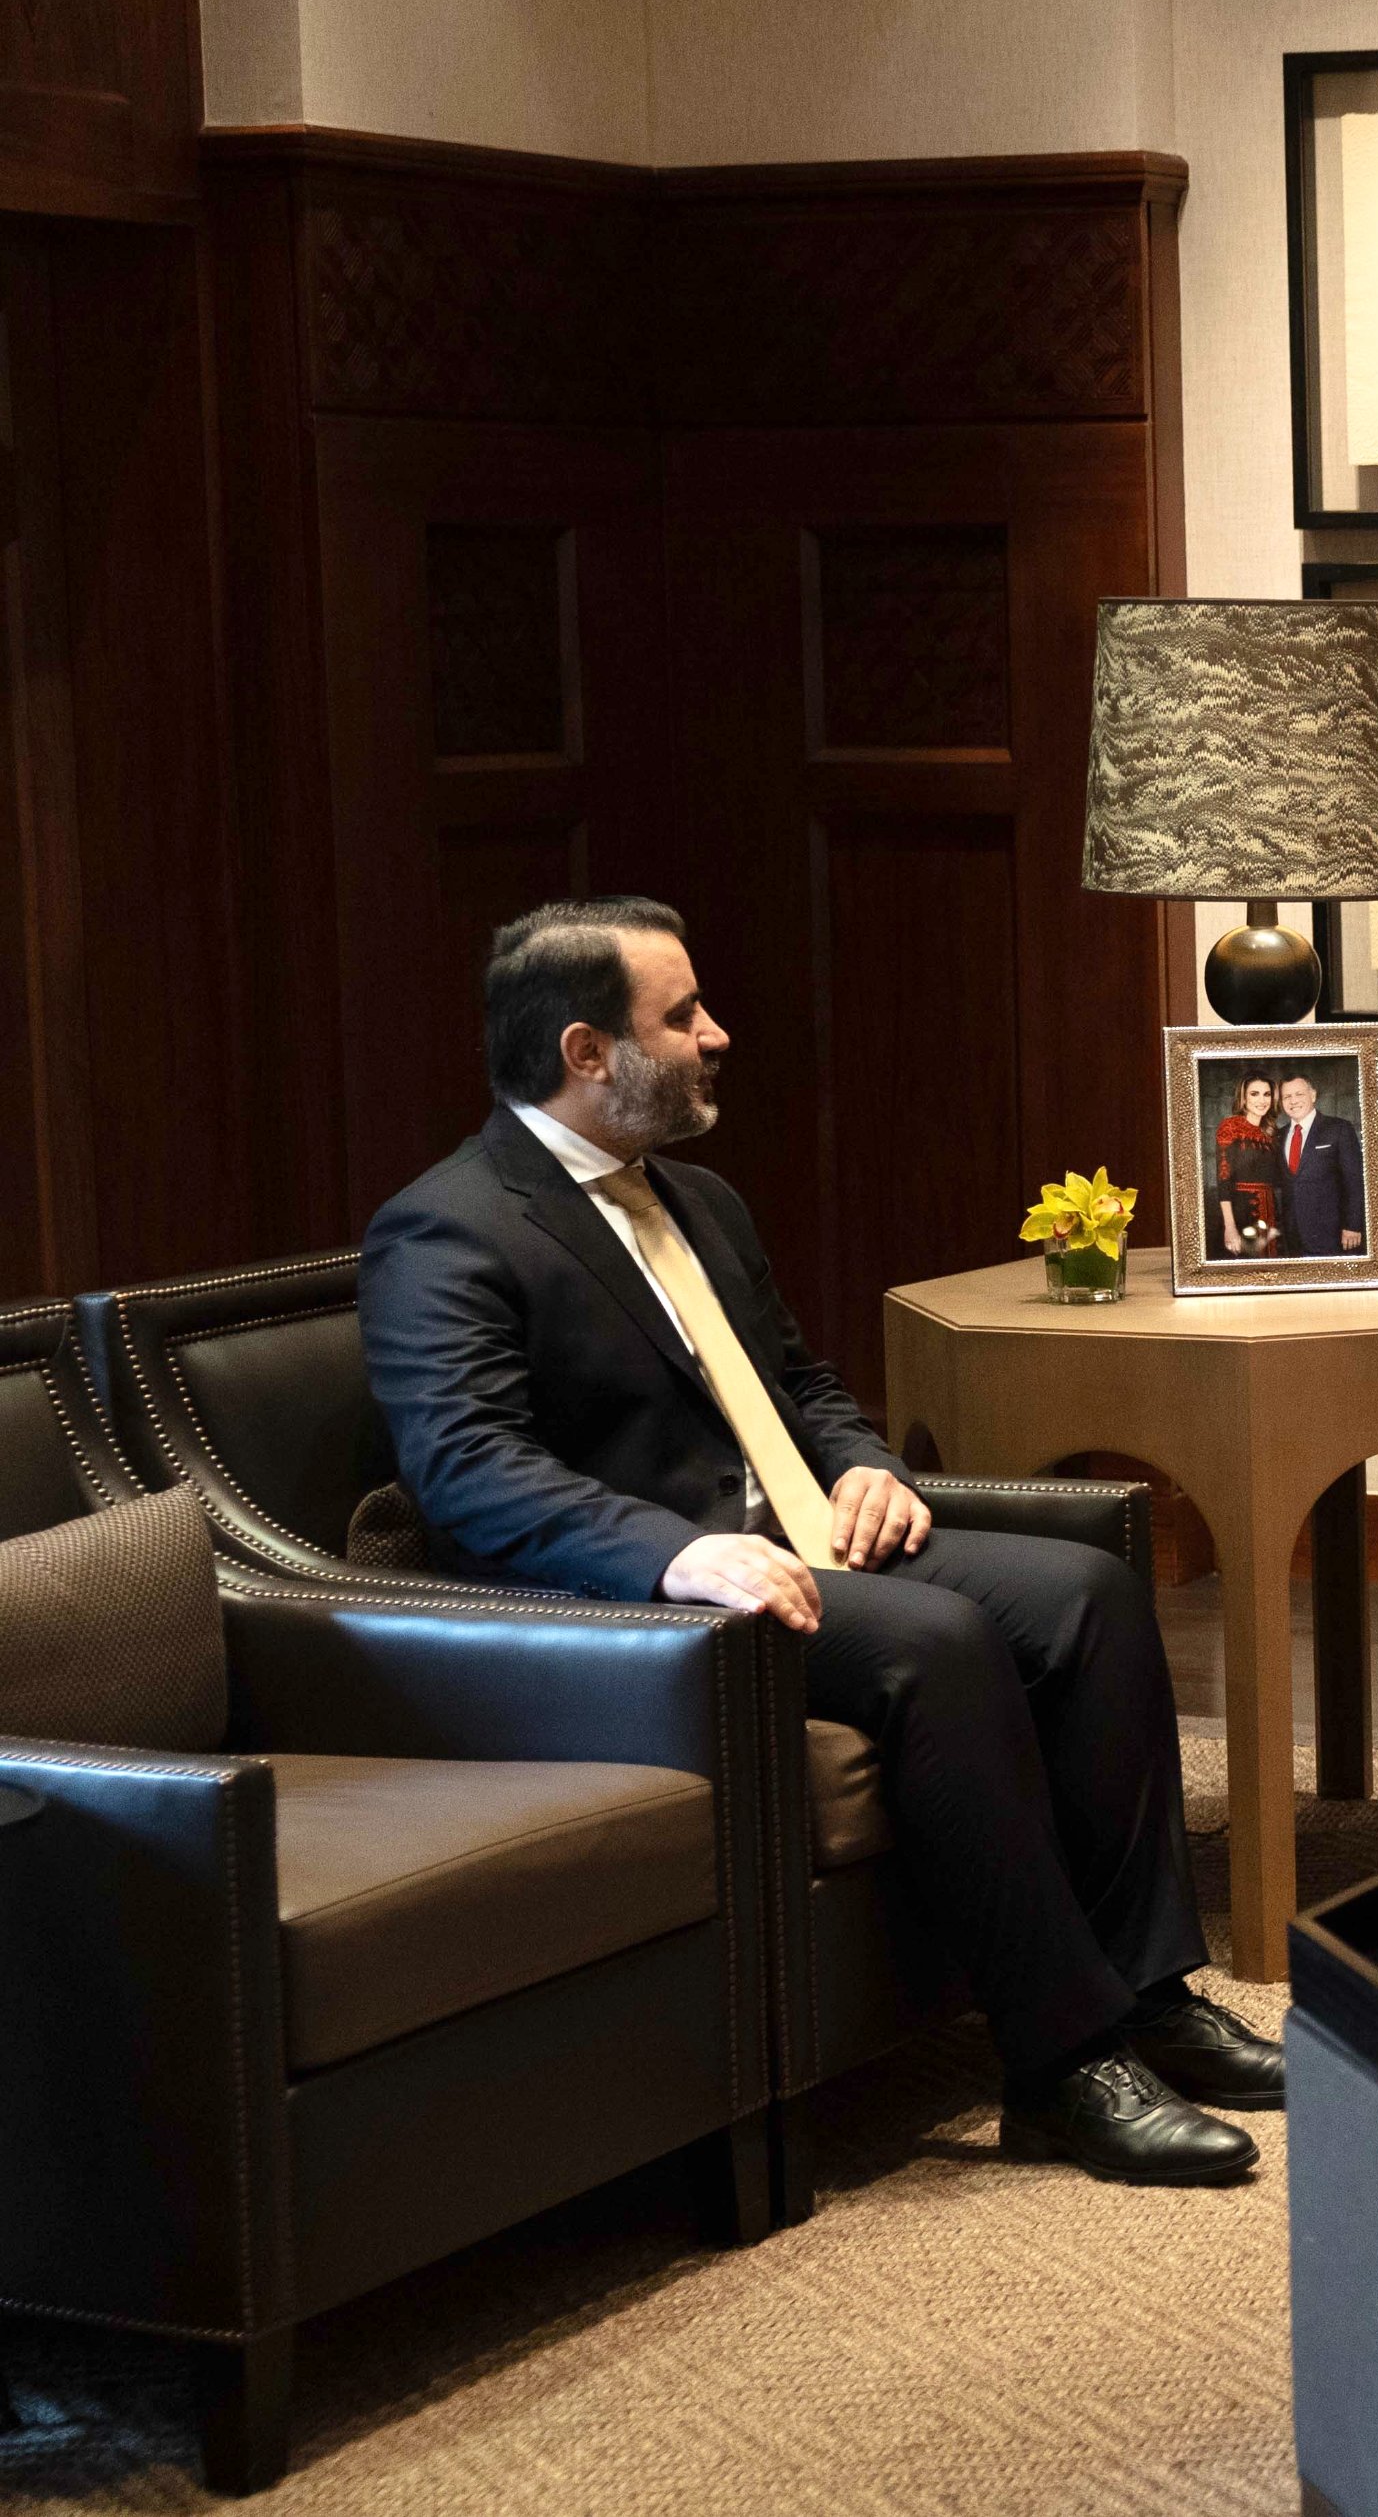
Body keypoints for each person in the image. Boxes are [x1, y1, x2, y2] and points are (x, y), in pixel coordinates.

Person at [361, 897, 1282, 2189]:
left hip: (808, 1535)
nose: (716, 1034)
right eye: (682, 1015)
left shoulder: (700, 1199)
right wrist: (671, 1553)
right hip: (658, 1596)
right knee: (939, 1639)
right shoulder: (447, 1225)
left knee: (1088, 1591)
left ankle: (1148, 1992)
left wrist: (864, 1466)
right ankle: (1063, 2063)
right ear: (586, 1051)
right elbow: (465, 1466)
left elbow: (800, 1379)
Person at [1273, 1071, 1369, 1258]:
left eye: (1299, 1094)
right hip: (1291, 1237)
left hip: (1332, 1234)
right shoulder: (1279, 1136)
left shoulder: (1339, 1129)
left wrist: (1353, 1225)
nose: (1293, 1101)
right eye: (1287, 1096)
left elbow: (1355, 1181)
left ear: (1313, 1095)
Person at [1213, 1074, 1285, 1259]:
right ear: (1243, 1098)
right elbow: (1223, 1179)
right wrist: (1230, 1226)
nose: (1262, 1100)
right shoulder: (1230, 1126)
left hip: (1271, 1211)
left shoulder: (1272, 1132)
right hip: (1241, 1211)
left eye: (1267, 1094)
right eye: (1254, 1094)